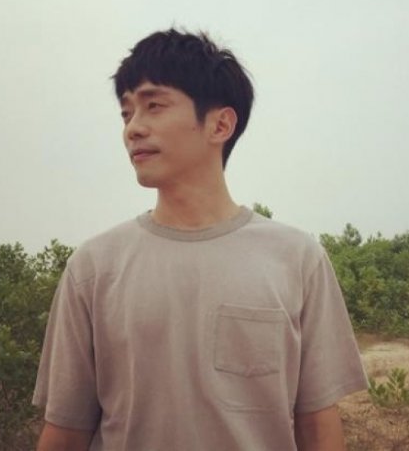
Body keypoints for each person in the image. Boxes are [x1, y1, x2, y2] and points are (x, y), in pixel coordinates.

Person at [33, 28, 368, 451]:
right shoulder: (94, 267)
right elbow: (66, 431)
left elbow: (318, 424)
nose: (133, 128)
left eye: (154, 106)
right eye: (126, 113)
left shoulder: (297, 259)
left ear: (220, 124)